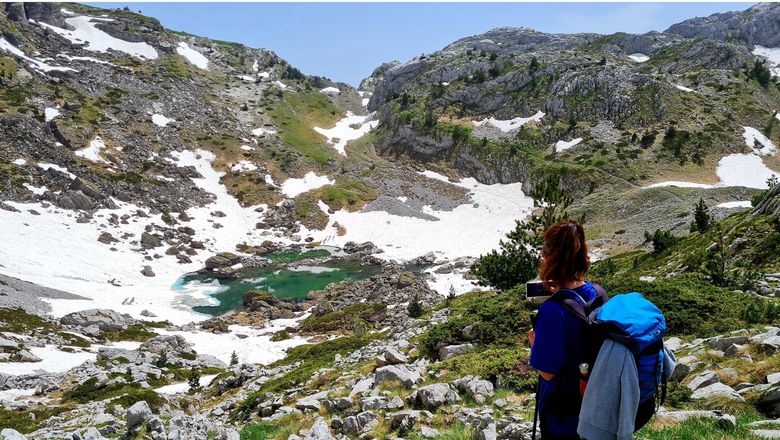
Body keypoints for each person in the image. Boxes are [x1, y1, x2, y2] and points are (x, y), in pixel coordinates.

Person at [528, 220, 603, 440]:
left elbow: (547, 372)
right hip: (598, 404)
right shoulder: (598, 292)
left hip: (564, 414)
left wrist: (535, 344)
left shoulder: (552, 310)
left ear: (549, 258)